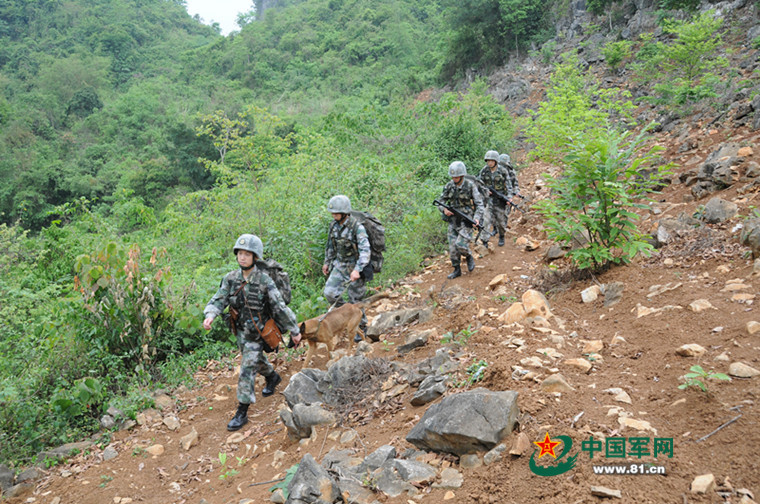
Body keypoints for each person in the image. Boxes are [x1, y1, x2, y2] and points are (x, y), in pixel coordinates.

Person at [203, 234, 302, 431]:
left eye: (247, 254)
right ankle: (272, 376)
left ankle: (242, 410)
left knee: (247, 366)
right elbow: (219, 299)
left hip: (259, 332)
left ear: (255, 257)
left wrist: (294, 330)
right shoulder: (231, 279)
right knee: (254, 359)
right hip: (240, 331)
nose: (242, 257)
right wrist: (210, 315)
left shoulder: (265, 280)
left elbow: (280, 307)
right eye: (240, 253)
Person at [322, 195, 370, 342]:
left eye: (336, 213)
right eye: (332, 213)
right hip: (340, 265)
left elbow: (365, 250)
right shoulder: (333, 226)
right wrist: (327, 262)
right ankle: (348, 314)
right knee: (329, 293)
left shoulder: (357, 227)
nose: (333, 215)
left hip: (355, 266)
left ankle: (361, 328)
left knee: (356, 299)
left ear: (344, 212)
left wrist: (358, 269)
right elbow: (330, 246)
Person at [439, 161, 485, 279]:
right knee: (453, 248)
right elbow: (441, 201)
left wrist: (476, 218)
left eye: (457, 176)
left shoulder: (470, 185)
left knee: (461, 244)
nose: (454, 178)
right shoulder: (449, 186)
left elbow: (479, 204)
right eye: (453, 176)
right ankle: (457, 269)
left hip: (466, 220)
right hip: (453, 220)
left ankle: (468, 256)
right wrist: (444, 210)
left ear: (462, 175)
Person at [479, 150, 511, 247]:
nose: (489, 163)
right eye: (488, 161)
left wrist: (509, 198)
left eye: (491, 161)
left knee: (501, 221)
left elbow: (509, 186)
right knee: (486, 219)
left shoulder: (503, 171)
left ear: (496, 161)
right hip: (488, 199)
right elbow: (478, 184)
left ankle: (501, 235)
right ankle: (484, 240)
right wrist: (485, 191)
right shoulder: (484, 171)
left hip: (500, 200)